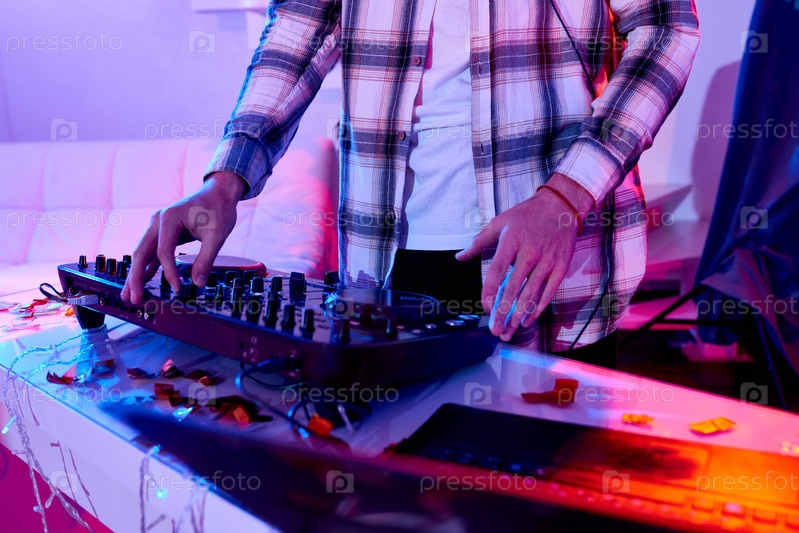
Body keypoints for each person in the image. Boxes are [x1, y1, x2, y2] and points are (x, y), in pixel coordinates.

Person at [122, 0, 700, 369]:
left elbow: (666, 26)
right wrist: (225, 179)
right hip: (384, 259)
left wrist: (566, 195)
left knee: (548, 494)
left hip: (550, 246)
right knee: (406, 493)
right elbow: (301, 28)